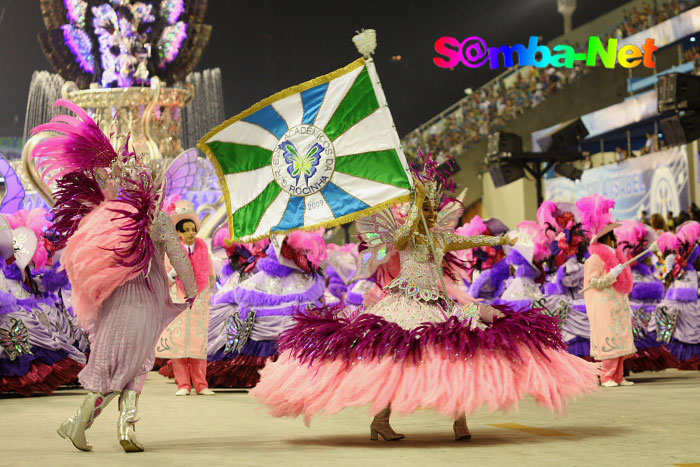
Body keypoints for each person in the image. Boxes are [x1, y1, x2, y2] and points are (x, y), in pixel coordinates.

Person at [251, 151, 600, 441]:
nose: (433, 216)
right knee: (397, 362)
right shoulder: (408, 237)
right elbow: (401, 240)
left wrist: (499, 241)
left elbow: (465, 241)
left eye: (434, 211)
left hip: (439, 304)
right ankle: (380, 421)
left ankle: (459, 420)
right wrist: (416, 202)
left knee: (460, 355)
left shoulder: (436, 239)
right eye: (429, 211)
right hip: (405, 303)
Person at [31, 99, 197, 452]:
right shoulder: (156, 219)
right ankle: (96, 425)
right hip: (142, 304)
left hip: (113, 303)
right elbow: (180, 257)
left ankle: (113, 428)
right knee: (129, 367)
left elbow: (81, 259)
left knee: (119, 366)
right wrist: (192, 289)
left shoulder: (107, 218)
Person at [156, 199, 215, 396]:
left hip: (199, 299)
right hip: (179, 298)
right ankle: (183, 384)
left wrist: (207, 291)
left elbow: (211, 275)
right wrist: (174, 274)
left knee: (198, 342)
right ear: (179, 233)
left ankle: (201, 384)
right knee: (180, 343)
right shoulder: (171, 251)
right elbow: (164, 275)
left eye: (193, 229)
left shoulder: (203, 249)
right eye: (186, 230)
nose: (191, 233)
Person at [579, 195, 636, 387]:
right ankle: (607, 376)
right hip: (604, 304)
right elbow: (593, 282)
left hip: (617, 302)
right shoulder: (594, 259)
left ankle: (618, 375)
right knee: (609, 337)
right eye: (613, 236)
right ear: (607, 238)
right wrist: (613, 274)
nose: (616, 239)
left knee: (620, 337)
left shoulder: (615, 255)